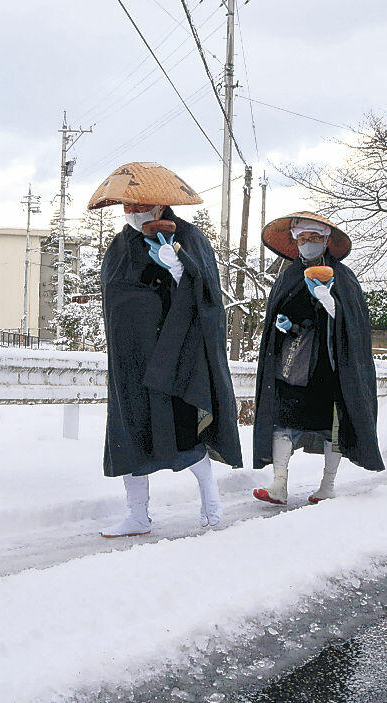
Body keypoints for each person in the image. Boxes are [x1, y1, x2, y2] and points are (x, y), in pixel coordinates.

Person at [89, 162, 242, 537]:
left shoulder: (187, 237)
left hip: (174, 355)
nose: (132, 212)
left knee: (181, 428)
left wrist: (178, 269)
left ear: (159, 204)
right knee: (130, 433)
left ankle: (211, 497)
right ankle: (137, 514)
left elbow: (205, 294)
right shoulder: (121, 243)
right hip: (128, 358)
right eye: (126, 206)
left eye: (139, 205)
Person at [251, 212, 384, 505]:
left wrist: (330, 302)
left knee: (330, 426)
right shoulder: (288, 275)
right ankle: (279, 483)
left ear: (326, 241)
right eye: (302, 238)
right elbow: (279, 312)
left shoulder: (344, 277)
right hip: (292, 363)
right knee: (283, 420)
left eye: (314, 238)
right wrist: (283, 325)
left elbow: (354, 325)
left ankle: (327, 485)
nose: (307, 244)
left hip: (331, 366)